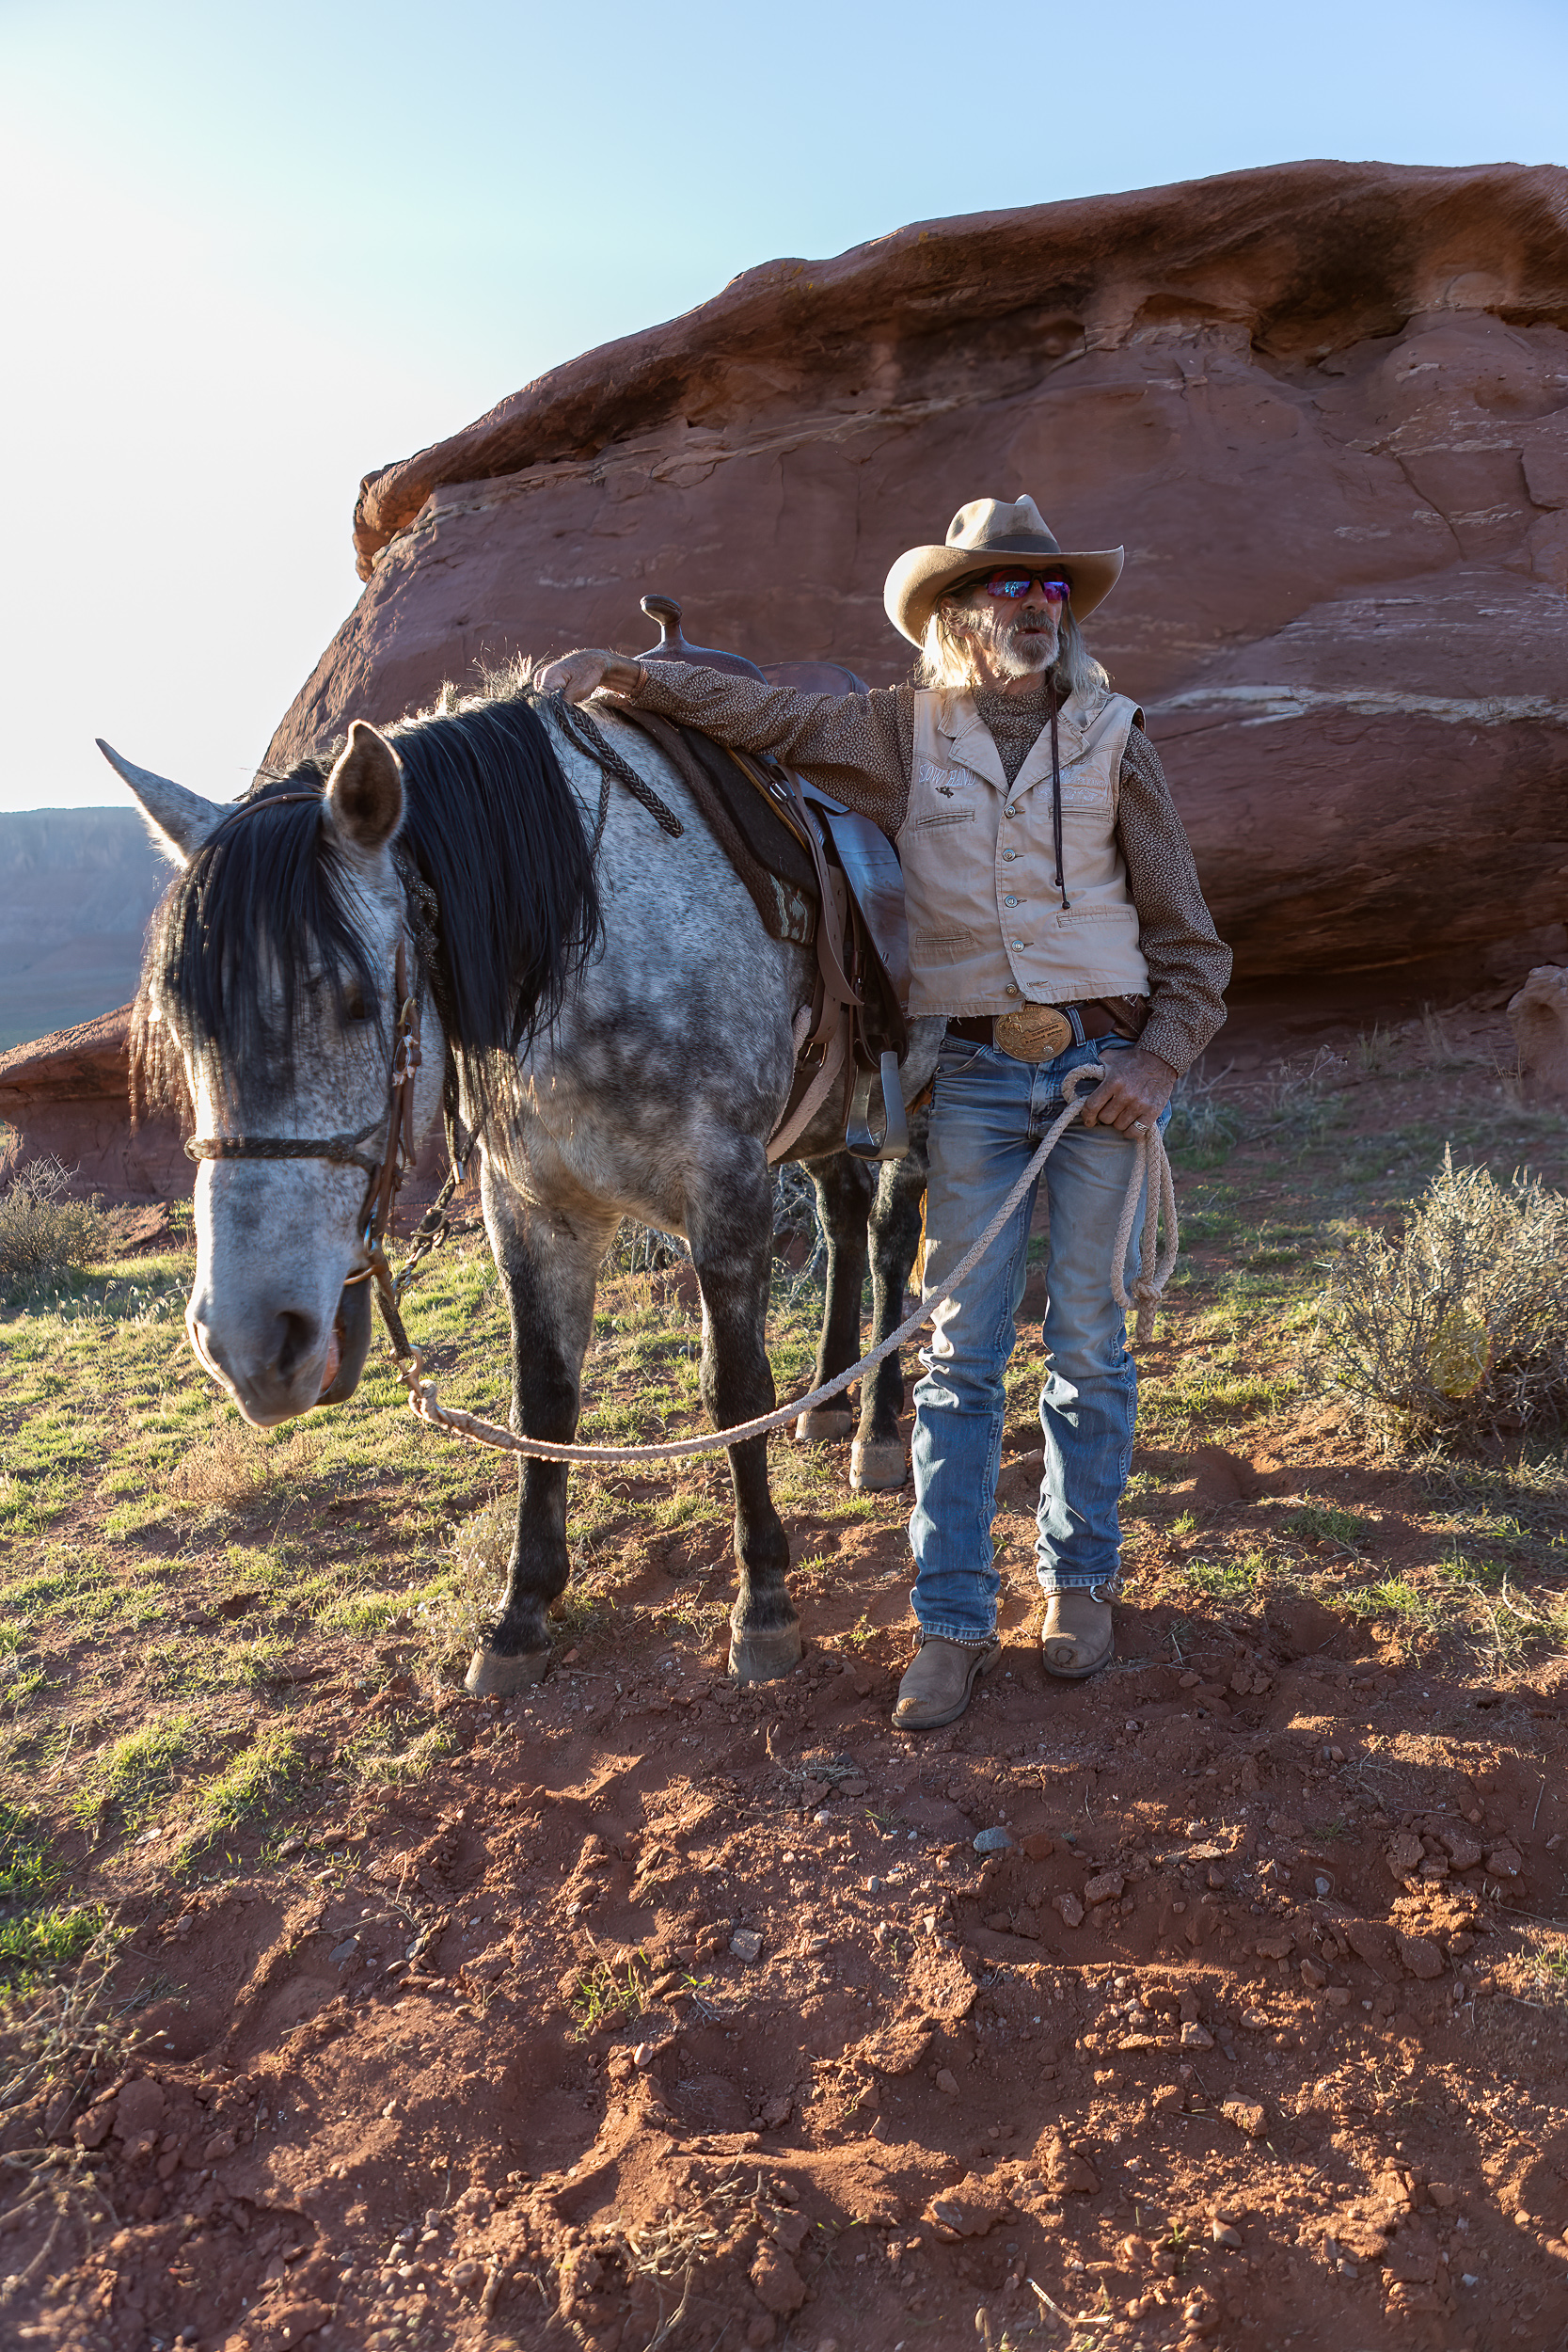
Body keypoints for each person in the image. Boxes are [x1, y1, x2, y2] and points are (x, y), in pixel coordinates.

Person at [541, 495, 1230, 1729]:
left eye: (1048, 586)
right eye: (1001, 586)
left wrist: (1161, 1063)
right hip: (969, 1082)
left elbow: (1192, 946)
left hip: (1099, 1083)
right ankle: (952, 1621)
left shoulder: (1122, 742)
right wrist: (630, 677)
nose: (1029, 603)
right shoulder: (894, 736)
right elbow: (767, 718)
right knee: (958, 1366)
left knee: (1087, 1355)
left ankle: (1078, 1583)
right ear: (955, 615)